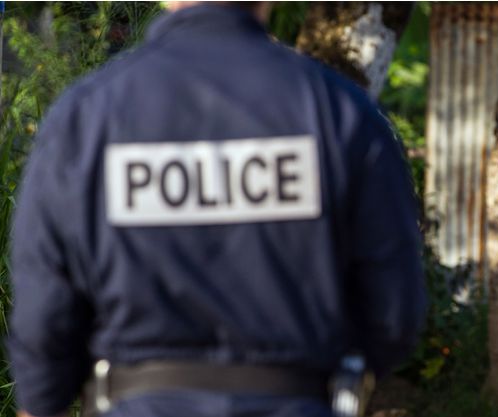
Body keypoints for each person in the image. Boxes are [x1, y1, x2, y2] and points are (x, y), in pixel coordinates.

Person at [8, 2, 427, 417]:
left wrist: (45, 399)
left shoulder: (85, 118)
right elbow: (393, 312)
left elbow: (44, 316)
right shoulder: (342, 113)